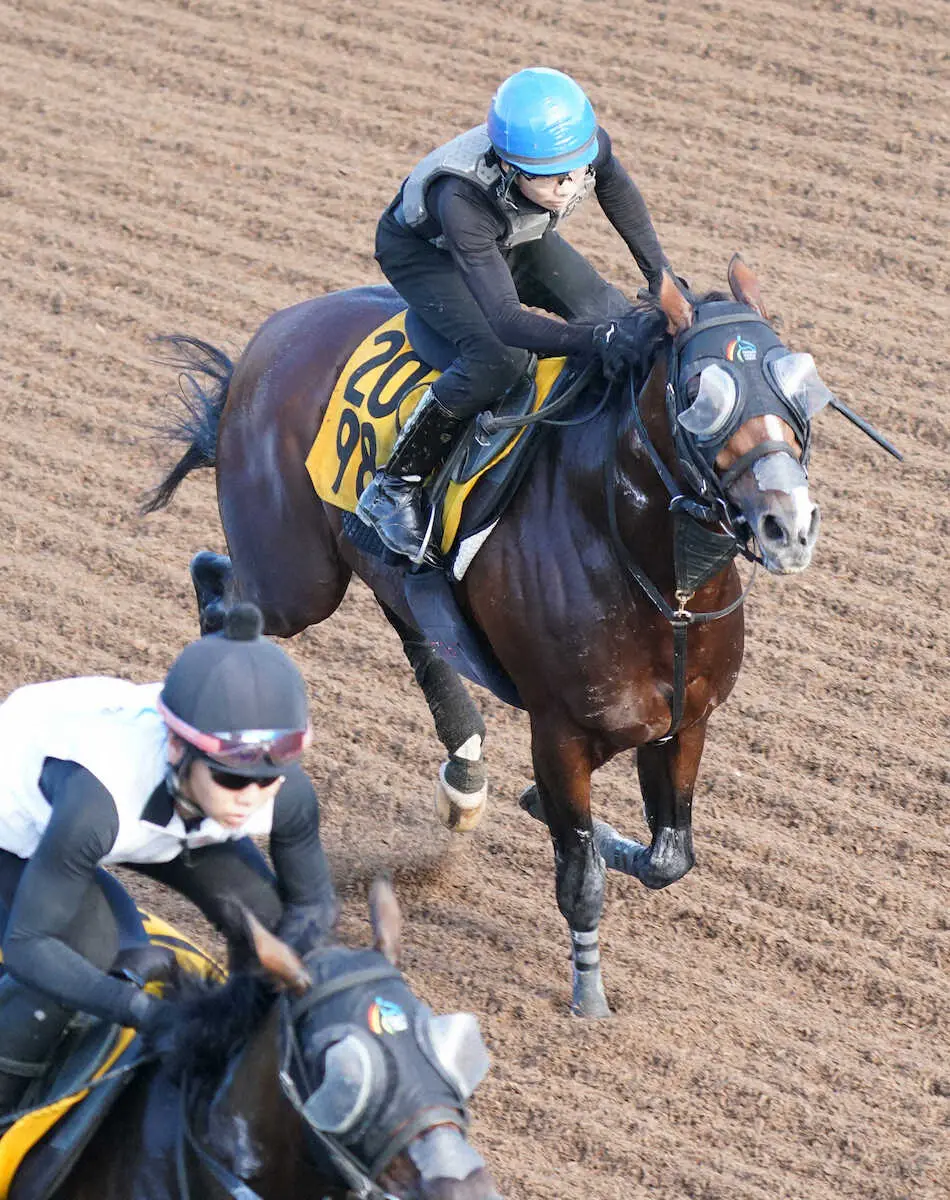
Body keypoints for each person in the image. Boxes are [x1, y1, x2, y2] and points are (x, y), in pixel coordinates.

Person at [0, 602, 337, 1114]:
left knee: (264, 924)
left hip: (162, 805)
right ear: (179, 749)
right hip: (21, 821)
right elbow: (29, 945)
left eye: (267, 778)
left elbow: (311, 913)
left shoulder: (279, 793)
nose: (250, 797)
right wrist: (148, 1014)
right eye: (231, 777)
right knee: (97, 950)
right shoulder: (97, 801)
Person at [357, 65, 693, 562]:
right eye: (553, 177)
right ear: (510, 167)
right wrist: (596, 340)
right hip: (430, 255)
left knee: (617, 315)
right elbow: (507, 322)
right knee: (500, 359)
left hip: (513, 232)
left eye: (578, 170)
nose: (570, 184)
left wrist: (659, 274)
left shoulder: (579, 148)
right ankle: (393, 485)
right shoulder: (461, 200)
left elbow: (615, 186)